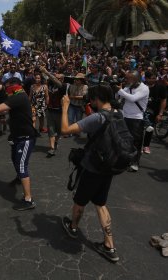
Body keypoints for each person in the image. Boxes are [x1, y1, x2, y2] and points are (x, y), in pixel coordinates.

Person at [61, 85, 120, 263]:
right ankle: (109, 245)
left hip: (93, 168)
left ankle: (72, 227)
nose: (90, 102)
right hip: (109, 166)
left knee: (80, 201)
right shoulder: (118, 113)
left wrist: (65, 107)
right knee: (101, 203)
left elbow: (65, 130)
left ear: (97, 99)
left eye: (91, 99)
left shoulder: (97, 117)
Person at [0, 77, 37, 211]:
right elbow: (12, 113)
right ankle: (19, 178)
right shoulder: (18, 96)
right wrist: (6, 121)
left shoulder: (19, 96)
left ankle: (29, 199)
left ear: (13, 86)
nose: (6, 89)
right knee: (15, 159)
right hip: (17, 136)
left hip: (25, 137)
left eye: (7, 86)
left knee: (22, 165)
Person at [116, 70, 149, 172]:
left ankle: (134, 163)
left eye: (129, 78)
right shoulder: (128, 86)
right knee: (123, 140)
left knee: (136, 142)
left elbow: (133, 98)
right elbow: (118, 97)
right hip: (125, 116)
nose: (127, 80)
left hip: (136, 119)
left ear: (136, 79)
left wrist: (120, 91)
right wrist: (117, 91)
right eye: (126, 78)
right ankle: (124, 160)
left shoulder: (144, 88)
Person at [142, 71, 167, 154]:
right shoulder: (140, 86)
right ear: (146, 78)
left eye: (154, 78)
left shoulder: (160, 87)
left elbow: (163, 100)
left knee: (150, 128)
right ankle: (136, 145)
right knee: (138, 129)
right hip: (139, 110)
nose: (153, 80)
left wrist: (160, 114)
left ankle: (146, 145)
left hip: (153, 111)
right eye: (150, 78)